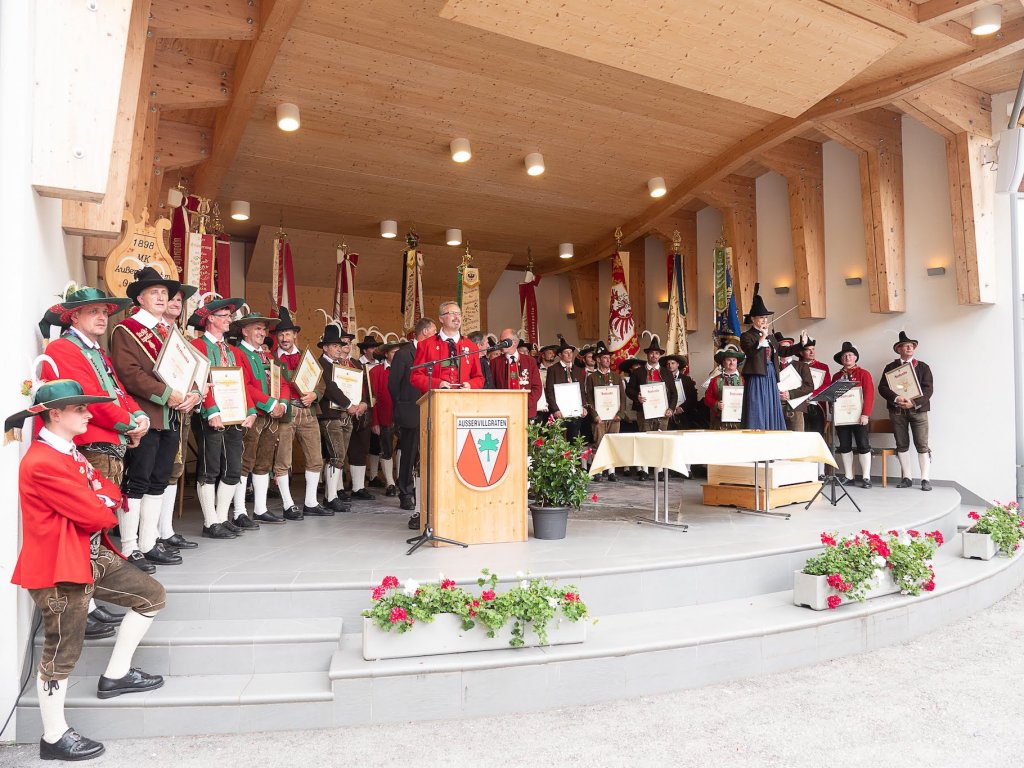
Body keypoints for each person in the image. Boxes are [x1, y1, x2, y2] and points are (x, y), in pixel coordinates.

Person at [6, 381, 166, 761]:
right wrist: (102, 502)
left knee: (151, 596)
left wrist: (102, 499)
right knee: (61, 652)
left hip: (86, 555)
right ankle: (54, 736)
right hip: (60, 569)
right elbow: (97, 512)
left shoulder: (68, 450)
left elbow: (107, 490)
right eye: (80, 409)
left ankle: (117, 675)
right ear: (55, 414)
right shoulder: (42, 461)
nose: (89, 414)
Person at [37, 285, 152, 631]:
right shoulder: (64, 348)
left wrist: (139, 416)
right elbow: (92, 399)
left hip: (107, 446)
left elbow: (117, 390)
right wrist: (129, 424)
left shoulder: (94, 350)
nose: (102, 317)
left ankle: (88, 603)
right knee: (82, 534)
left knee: (95, 533)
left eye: (105, 312)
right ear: (74, 317)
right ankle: (81, 610)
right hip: (92, 447)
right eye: (94, 312)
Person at [110, 267, 200, 568]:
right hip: (144, 415)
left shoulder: (169, 332)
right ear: (140, 298)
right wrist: (167, 394)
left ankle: (149, 543)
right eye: (154, 293)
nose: (162, 298)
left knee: (159, 480)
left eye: (164, 293)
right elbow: (129, 374)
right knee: (137, 480)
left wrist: (193, 393)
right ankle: (129, 547)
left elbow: (187, 370)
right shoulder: (126, 330)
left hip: (170, 417)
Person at [189, 296, 257, 537]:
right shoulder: (196, 346)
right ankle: (210, 522)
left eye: (230, 315)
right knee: (210, 468)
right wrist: (212, 410)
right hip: (210, 415)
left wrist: (250, 410)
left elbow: (243, 384)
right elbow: (197, 382)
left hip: (234, 416)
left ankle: (220, 517)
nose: (230, 319)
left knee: (233, 469)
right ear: (210, 319)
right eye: (225, 316)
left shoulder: (233, 351)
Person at [235, 312, 303, 525]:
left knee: (264, 463)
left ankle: (260, 509)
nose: (262, 333)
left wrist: (283, 404)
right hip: (252, 416)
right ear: (245, 331)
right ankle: (239, 512)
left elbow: (283, 383)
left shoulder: (268, 356)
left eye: (263, 329)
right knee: (245, 463)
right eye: (257, 328)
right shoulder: (238, 353)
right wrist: (271, 404)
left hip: (272, 417)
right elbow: (244, 385)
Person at [271, 307, 330, 517]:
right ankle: (288, 505)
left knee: (315, 457)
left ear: (295, 334)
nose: (284, 338)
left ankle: (311, 502)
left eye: (287, 333)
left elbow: (321, 385)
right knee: (283, 460)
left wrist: (314, 394)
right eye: (280, 334)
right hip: (286, 413)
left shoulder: (308, 357)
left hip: (308, 412)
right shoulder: (271, 359)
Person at [156, 283, 200, 553]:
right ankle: (151, 534)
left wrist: (195, 394)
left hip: (181, 412)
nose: (175, 303)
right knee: (157, 471)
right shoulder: (152, 333)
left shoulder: (182, 337)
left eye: (179, 300)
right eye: (171, 298)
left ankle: (166, 530)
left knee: (174, 470)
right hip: (158, 408)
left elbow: (195, 374)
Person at [390, 318, 437, 529]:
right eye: (434, 331)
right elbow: (393, 384)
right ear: (424, 332)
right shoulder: (403, 354)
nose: (436, 335)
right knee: (408, 454)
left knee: (425, 454)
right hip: (410, 410)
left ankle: (423, 492)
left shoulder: (433, 352)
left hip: (430, 409)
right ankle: (405, 493)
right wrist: (402, 405)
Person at [878, 330, 934, 491]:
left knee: (922, 445)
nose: (909, 348)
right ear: (898, 349)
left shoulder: (923, 367)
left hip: (919, 411)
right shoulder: (890, 367)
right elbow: (882, 388)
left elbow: (928, 390)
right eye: (905, 346)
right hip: (897, 411)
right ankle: (907, 478)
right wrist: (897, 398)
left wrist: (913, 403)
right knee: (901, 444)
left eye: (911, 346)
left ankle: (925, 479)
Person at [318, 324, 361, 511]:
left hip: (341, 415)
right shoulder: (322, 364)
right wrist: (349, 405)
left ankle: (332, 494)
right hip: (330, 416)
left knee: (338, 457)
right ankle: (331, 496)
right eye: (334, 346)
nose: (338, 349)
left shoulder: (337, 365)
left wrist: (356, 404)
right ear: (325, 348)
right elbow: (330, 389)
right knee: (336, 456)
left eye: (339, 345)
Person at [625, 336, 676, 480]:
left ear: (660, 356)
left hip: (662, 413)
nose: (654, 355)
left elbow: (674, 393)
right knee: (645, 440)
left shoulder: (666, 373)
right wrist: (637, 397)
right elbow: (629, 390)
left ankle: (659, 470)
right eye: (652, 353)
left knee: (660, 441)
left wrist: (671, 409)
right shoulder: (638, 372)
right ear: (647, 355)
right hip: (644, 412)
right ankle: (645, 470)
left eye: (657, 353)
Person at [739, 285, 786, 430]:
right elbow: (750, 352)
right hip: (757, 375)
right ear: (753, 319)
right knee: (757, 406)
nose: (765, 320)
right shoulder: (747, 336)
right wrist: (761, 338)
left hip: (770, 373)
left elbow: (782, 351)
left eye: (766, 318)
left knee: (771, 406)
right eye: (761, 318)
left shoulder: (771, 337)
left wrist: (803, 344)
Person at [411, 301, 485, 392]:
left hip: (463, 398)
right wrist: (437, 384)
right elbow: (416, 377)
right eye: (452, 313)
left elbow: (479, 378)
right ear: (441, 318)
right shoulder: (425, 345)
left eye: (459, 314)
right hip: (436, 398)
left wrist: (470, 385)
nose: (457, 317)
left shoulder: (471, 346)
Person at [831, 341, 874, 488]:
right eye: (844, 356)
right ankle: (849, 476)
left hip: (859, 417)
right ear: (841, 359)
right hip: (842, 418)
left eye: (850, 355)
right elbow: (833, 396)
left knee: (863, 445)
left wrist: (865, 414)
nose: (847, 357)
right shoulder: (836, 376)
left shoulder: (864, 374)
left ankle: (866, 477)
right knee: (844, 445)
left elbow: (869, 395)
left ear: (855, 357)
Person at [584, 343, 622, 481]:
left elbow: (622, 398)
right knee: (598, 443)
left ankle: (611, 472)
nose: (607, 360)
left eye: (608, 358)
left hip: (614, 417)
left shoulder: (616, 377)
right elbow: (589, 398)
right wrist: (594, 415)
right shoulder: (592, 377)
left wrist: (620, 414)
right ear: (598, 360)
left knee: (613, 443)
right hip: (599, 417)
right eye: (604, 358)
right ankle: (598, 471)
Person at [369, 342, 401, 497]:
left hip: (403, 416)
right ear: (386, 354)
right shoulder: (376, 371)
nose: (397, 355)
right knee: (386, 449)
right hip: (384, 416)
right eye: (394, 352)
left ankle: (401, 478)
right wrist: (374, 421)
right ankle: (390, 483)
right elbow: (372, 398)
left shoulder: (406, 369)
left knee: (403, 448)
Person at [490, 329, 543, 418]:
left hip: (526, 411)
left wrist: (525, 403)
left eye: (504, 341)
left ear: (514, 342)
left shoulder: (530, 361)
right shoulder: (495, 362)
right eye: (500, 341)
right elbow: (492, 387)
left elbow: (537, 387)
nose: (501, 344)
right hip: (504, 411)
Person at [543, 339, 584, 442]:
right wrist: (555, 409)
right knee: (559, 440)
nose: (569, 355)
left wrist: (583, 406)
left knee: (574, 439)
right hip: (560, 411)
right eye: (566, 352)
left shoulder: (578, 370)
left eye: (571, 352)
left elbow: (582, 391)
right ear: (560, 355)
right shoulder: (553, 369)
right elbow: (549, 392)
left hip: (575, 411)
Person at [791, 336, 830, 439]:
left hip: (817, 405)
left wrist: (811, 395)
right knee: (800, 435)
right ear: (801, 352)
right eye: (808, 350)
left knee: (817, 436)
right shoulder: (794, 366)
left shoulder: (823, 367)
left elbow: (826, 385)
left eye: (813, 349)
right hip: (799, 405)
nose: (812, 352)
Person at [777, 332, 815, 432]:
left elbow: (809, 387)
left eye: (787, 347)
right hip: (776, 408)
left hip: (796, 408)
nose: (785, 350)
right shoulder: (772, 367)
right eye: (782, 348)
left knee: (797, 438)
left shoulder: (802, 366)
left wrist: (790, 394)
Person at [704, 346, 745, 430]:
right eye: (729, 360)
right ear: (723, 362)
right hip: (719, 422)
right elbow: (707, 398)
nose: (732, 363)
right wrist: (717, 404)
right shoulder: (714, 380)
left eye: (734, 360)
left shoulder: (744, 380)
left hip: (740, 422)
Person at [662, 353, 700, 430]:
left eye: (673, 363)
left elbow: (692, 397)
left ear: (678, 364)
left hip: (684, 416)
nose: (670, 365)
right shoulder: (662, 379)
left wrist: (682, 408)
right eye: (668, 364)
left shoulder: (686, 379)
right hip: (667, 415)